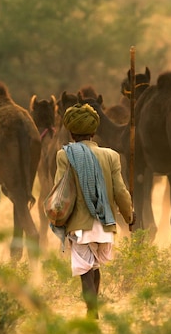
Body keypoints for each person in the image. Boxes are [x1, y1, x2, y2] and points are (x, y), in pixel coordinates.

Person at [52, 103, 134, 319]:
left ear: (71, 132)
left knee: (85, 270)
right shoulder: (111, 155)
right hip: (105, 223)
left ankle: (92, 313)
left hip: (80, 223)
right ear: (94, 131)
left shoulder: (64, 155)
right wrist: (129, 216)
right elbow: (121, 191)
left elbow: (60, 191)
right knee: (94, 266)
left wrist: (57, 219)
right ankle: (94, 310)